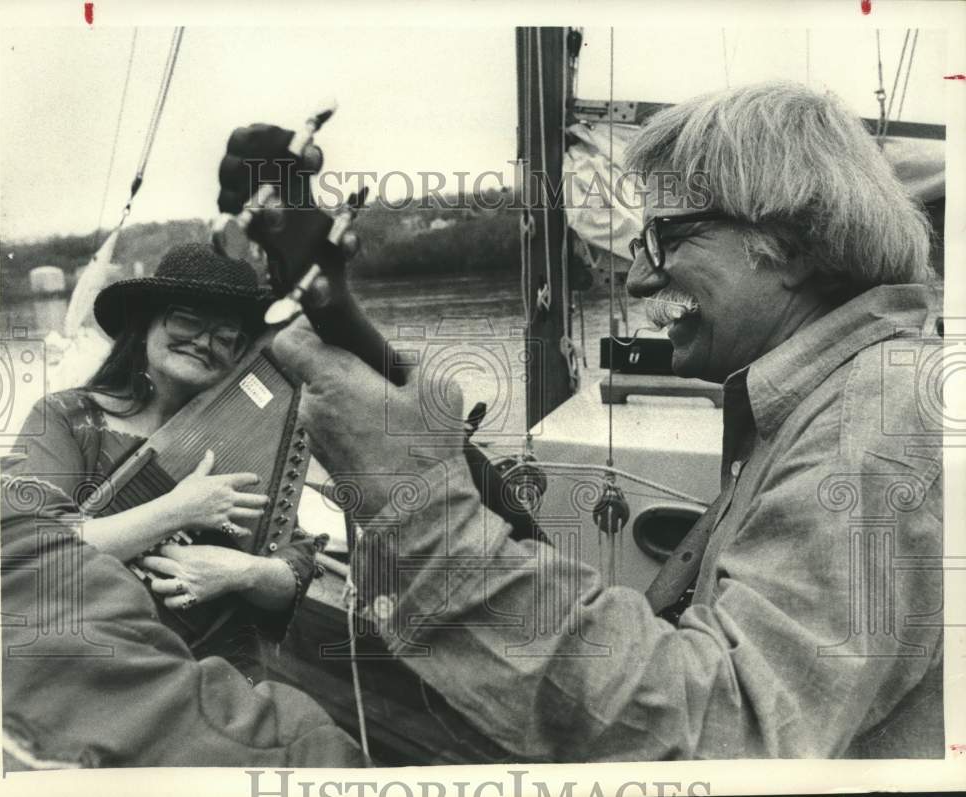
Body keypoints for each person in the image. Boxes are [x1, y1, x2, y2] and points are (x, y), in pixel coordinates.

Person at [268, 81, 945, 759]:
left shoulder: (873, 425)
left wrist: (413, 503)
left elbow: (729, 732)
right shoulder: (840, 401)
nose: (640, 279)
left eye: (666, 236)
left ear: (793, 244)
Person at [0, 243, 365, 767]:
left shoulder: (240, 438)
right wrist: (179, 510)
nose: (205, 342)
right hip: (84, 668)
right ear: (145, 325)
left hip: (201, 681)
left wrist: (239, 571)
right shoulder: (68, 419)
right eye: (187, 320)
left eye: (227, 336)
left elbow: (296, 559)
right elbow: (25, 546)